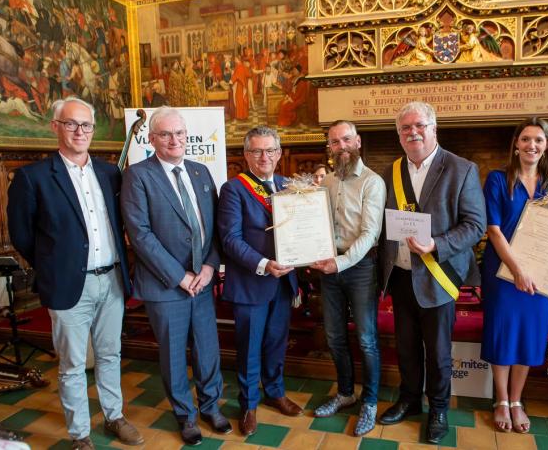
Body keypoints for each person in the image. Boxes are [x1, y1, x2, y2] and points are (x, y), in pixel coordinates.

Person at [7, 97, 143, 450]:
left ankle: (114, 416)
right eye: (71, 124)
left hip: (112, 279)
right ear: (55, 127)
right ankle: (79, 433)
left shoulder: (109, 173)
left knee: (110, 354)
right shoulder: (31, 177)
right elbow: (21, 234)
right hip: (68, 284)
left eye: (86, 125)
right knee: (72, 364)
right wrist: (53, 266)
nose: (79, 131)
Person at [378, 101, 486, 444]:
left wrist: (436, 244)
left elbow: (475, 225)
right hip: (401, 275)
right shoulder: (390, 171)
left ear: (433, 128)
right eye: (406, 128)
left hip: (438, 275)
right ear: (399, 135)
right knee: (406, 347)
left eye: (419, 126)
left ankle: (438, 407)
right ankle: (409, 399)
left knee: (438, 351)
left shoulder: (462, 169)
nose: (413, 132)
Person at [121, 107, 229, 446]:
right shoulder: (138, 175)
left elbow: (214, 227)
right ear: (151, 139)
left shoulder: (200, 172)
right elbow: (139, 234)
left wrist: (210, 267)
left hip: (203, 280)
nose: (174, 140)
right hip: (166, 285)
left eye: (180, 133)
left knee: (208, 349)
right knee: (173, 355)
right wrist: (178, 275)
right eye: (166, 134)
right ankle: (186, 415)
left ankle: (211, 406)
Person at [217, 126, 302, 436]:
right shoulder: (234, 189)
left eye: (270, 150)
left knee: (276, 342)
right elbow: (230, 239)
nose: (264, 156)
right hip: (252, 282)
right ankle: (249, 403)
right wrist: (265, 265)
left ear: (279, 154)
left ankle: (275, 392)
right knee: (250, 347)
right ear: (246, 155)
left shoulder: (287, 185)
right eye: (256, 151)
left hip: (283, 283)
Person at [480, 117, 548, 433]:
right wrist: (517, 270)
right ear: (516, 143)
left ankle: (516, 400)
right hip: (503, 272)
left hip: (539, 276)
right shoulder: (499, 180)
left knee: (529, 334)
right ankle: (500, 399)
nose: (532, 145)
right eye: (526, 139)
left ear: (547, 145)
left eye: (538, 140)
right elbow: (494, 230)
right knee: (503, 332)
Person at [310, 121, 386, 436]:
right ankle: (345, 393)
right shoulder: (325, 182)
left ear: (357, 142)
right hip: (329, 266)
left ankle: (369, 401)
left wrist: (340, 263)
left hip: (360, 267)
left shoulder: (373, 182)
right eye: (334, 142)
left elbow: (371, 233)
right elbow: (315, 223)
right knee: (335, 337)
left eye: (345, 140)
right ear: (330, 147)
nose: (341, 147)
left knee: (366, 339)